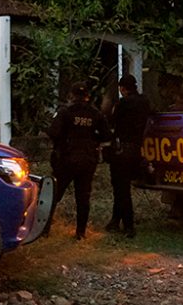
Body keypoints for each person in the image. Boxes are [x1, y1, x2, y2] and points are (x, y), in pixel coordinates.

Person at [48, 82, 111, 240]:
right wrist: (92, 139)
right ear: (87, 96)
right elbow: (106, 135)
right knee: (83, 196)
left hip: (66, 160)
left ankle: (45, 228)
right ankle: (80, 233)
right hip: (87, 159)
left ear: (72, 95)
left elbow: (53, 132)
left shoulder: (65, 112)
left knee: (54, 194)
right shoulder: (95, 114)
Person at [104, 74, 153, 238]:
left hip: (121, 150)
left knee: (121, 189)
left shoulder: (123, 103)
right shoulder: (144, 102)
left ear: (122, 89)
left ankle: (128, 226)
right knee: (122, 187)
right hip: (136, 150)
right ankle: (115, 220)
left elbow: (112, 122)